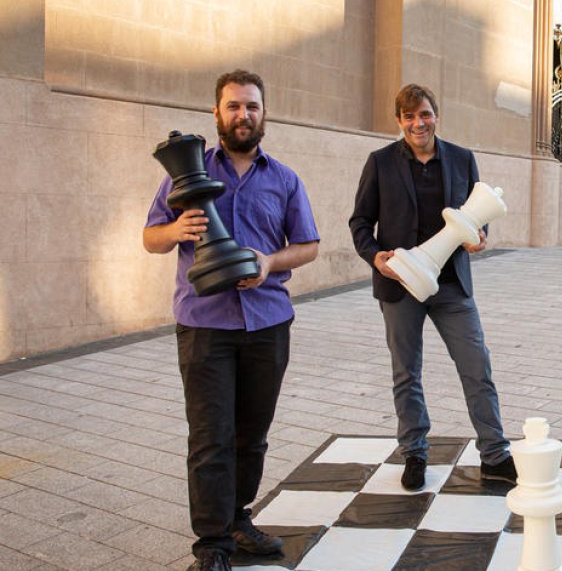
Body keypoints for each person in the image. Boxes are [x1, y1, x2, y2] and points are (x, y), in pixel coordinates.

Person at [143, 70, 320, 571]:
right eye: (235, 106)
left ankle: (239, 520)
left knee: (252, 434)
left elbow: (307, 246)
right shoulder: (186, 171)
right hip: (204, 325)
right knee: (209, 438)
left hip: (267, 322)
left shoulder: (284, 179)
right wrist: (176, 227)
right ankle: (213, 545)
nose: (244, 115)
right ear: (217, 113)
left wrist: (268, 263)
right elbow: (150, 237)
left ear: (264, 114)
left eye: (252, 107)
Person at [348, 84, 515, 491]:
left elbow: (479, 215)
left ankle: (494, 454)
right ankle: (415, 454)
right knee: (407, 372)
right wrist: (376, 259)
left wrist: (481, 236)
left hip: (451, 285)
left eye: (424, 114)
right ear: (399, 121)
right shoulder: (380, 162)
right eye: (408, 117)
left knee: (477, 366)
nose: (417, 123)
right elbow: (359, 223)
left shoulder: (461, 159)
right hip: (400, 283)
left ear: (435, 115)